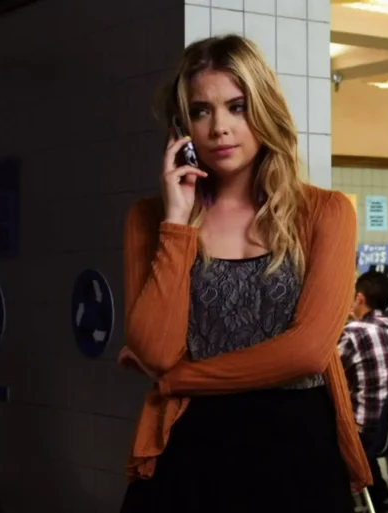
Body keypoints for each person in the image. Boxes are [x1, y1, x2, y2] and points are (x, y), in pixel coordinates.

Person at [116, 35, 369, 512]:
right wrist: (177, 222)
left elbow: (308, 352)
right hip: (190, 453)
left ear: (264, 109)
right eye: (201, 111)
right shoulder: (150, 219)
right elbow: (155, 349)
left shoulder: (325, 212)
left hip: (296, 456)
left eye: (237, 107)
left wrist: (177, 380)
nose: (219, 128)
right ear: (181, 127)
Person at [339, 271, 388, 511]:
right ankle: (381, 496)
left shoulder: (354, 332)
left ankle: (371, 499)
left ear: (359, 298)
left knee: (332, 430)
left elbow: (326, 373)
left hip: (368, 432)